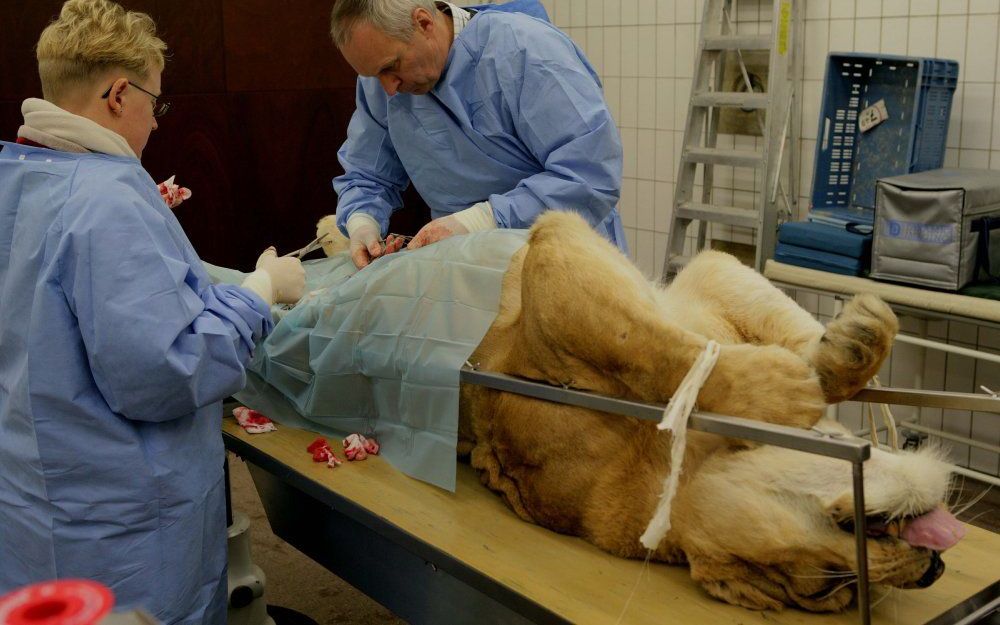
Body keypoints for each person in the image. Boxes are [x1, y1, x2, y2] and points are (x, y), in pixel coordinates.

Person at [0, 1, 305, 623]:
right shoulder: (106, 199)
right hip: (121, 522)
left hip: (36, 493)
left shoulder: (16, 175)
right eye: (155, 103)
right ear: (118, 94)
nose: (157, 123)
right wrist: (259, 292)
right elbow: (167, 371)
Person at [329, 0, 627, 268]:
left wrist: (482, 219)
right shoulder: (382, 82)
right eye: (374, 75)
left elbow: (590, 176)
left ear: (424, 23)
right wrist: (361, 222)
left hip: (564, 259)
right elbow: (368, 172)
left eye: (391, 67)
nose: (389, 88)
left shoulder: (524, 51)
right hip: (467, 267)